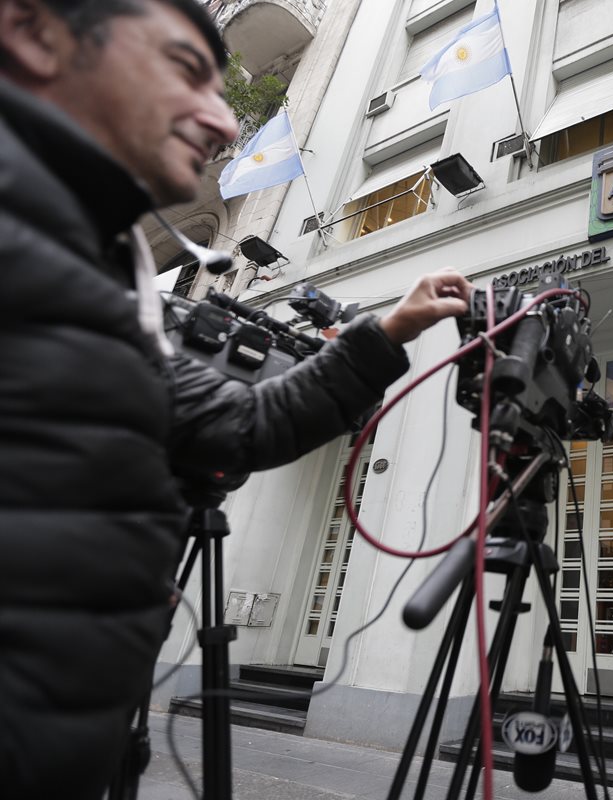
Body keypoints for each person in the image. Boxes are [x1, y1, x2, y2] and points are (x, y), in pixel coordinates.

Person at [0, 1, 471, 795]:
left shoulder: (102, 282)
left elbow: (242, 425)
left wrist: (391, 329)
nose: (225, 123)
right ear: (31, 33)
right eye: (186, 70)